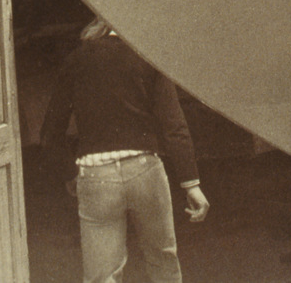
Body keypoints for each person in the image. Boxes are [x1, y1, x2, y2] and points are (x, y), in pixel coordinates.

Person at [42, 17, 210, 283]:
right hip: (145, 171)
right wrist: (191, 184)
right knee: (163, 263)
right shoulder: (148, 56)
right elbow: (174, 126)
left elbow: (50, 133)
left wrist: (70, 174)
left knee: (102, 276)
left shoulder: (75, 60)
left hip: (95, 174)